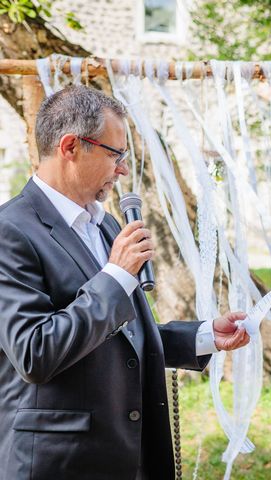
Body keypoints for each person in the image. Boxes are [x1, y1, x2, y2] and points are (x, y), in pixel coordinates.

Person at [0, 85, 249, 480]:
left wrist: (204, 336)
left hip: (128, 453)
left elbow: (120, 335)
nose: (123, 169)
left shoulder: (106, 225)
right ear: (70, 147)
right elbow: (35, 352)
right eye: (115, 154)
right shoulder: (9, 230)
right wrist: (115, 276)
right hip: (56, 461)